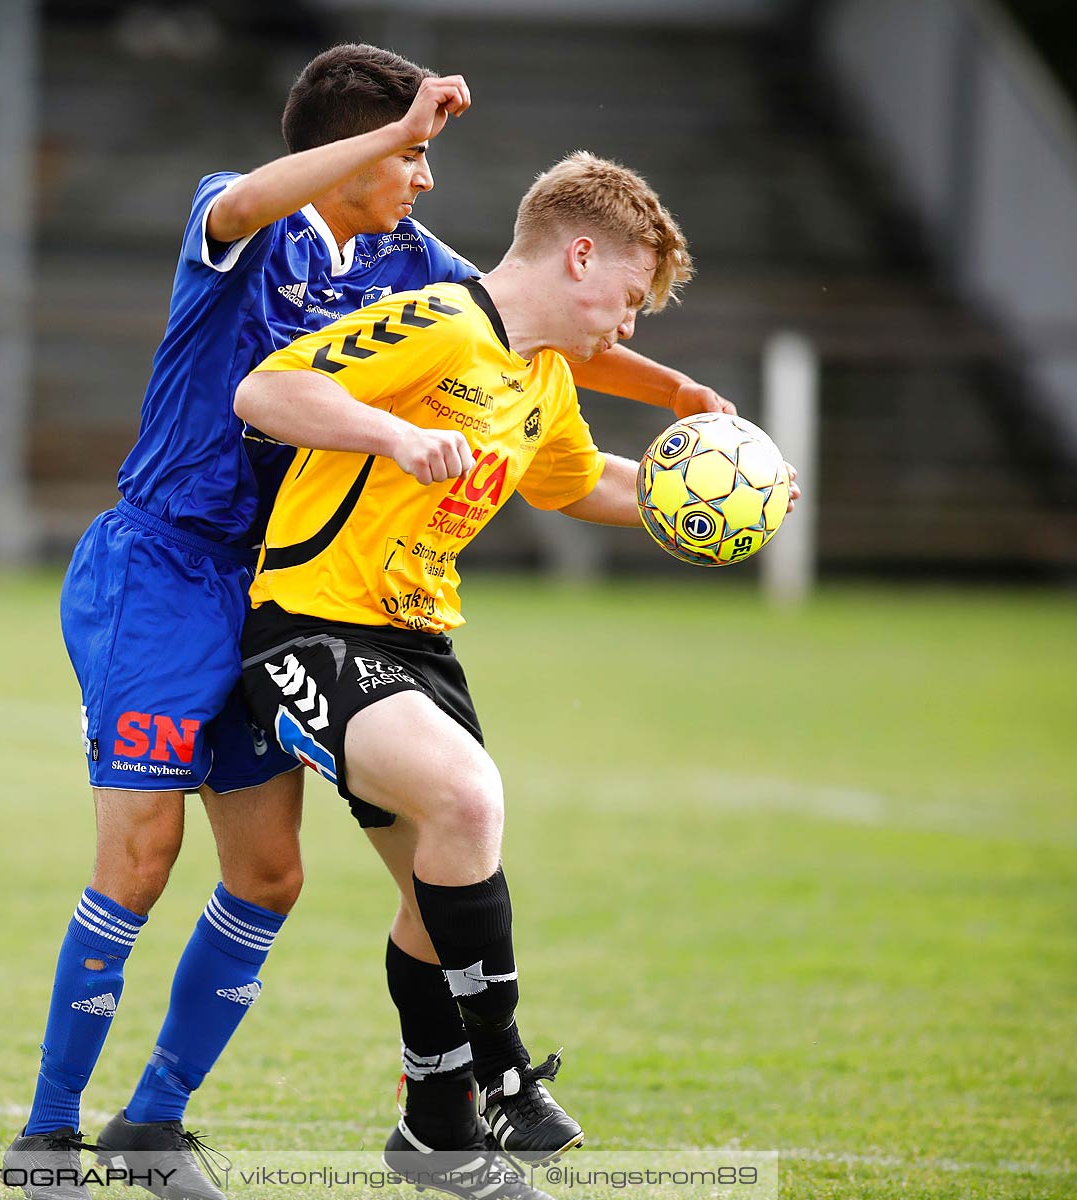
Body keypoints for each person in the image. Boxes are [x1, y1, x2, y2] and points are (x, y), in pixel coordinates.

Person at [8, 46, 738, 1200]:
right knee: (143, 856)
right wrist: (392, 128)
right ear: (349, 150)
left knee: (271, 876)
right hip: (162, 565)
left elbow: (528, 314)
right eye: (415, 156)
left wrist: (682, 398)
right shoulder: (243, 216)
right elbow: (261, 198)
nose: (428, 179)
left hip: (273, 587)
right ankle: (46, 1141)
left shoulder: (412, 263)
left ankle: (152, 1126)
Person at [234, 150, 799, 1198]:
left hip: (419, 646)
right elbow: (266, 390)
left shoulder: (541, 380)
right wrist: (394, 434)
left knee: (433, 892)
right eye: (628, 299)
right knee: (466, 797)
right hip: (307, 628)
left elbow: (579, 485)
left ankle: (433, 1137)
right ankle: (502, 1072)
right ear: (580, 254)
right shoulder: (442, 323)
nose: (625, 328)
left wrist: (727, 498)